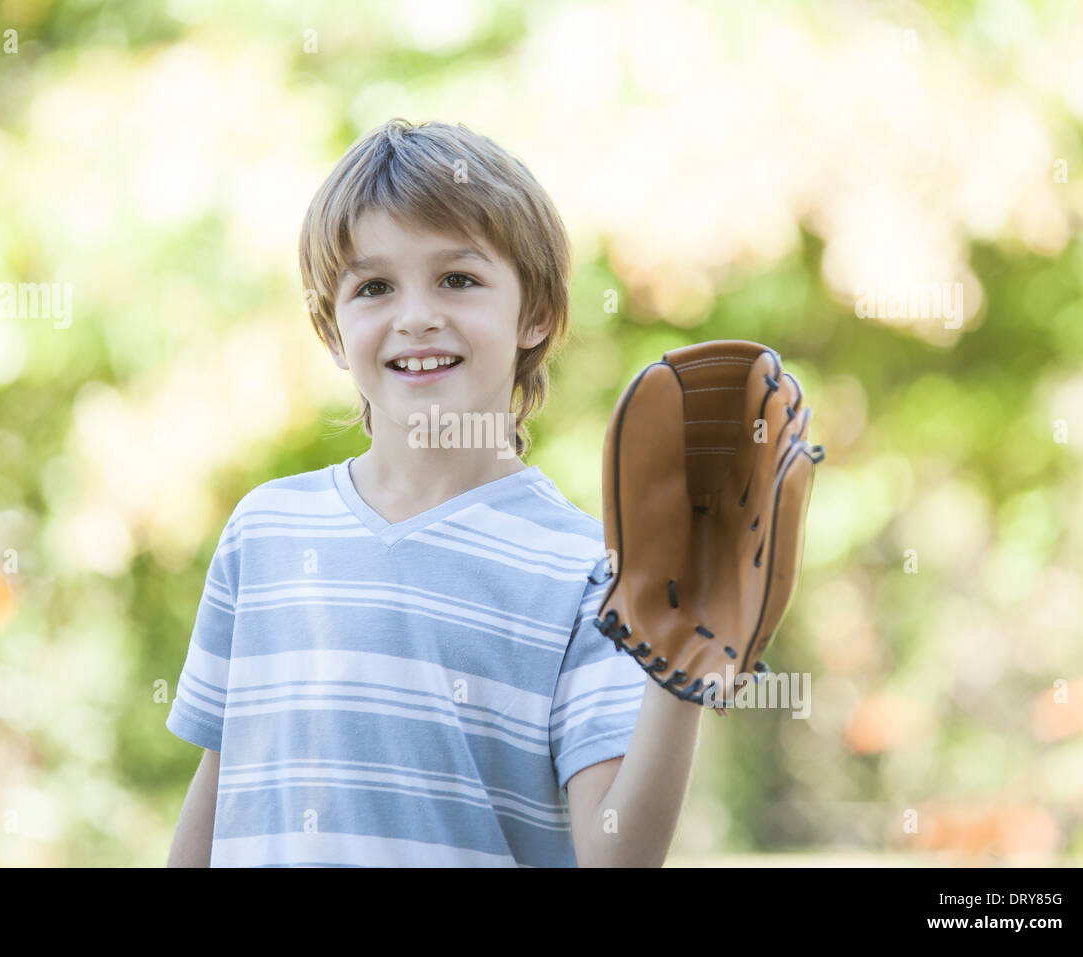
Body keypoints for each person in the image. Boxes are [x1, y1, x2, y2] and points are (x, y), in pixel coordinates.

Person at [165, 118, 701, 867]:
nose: (416, 316)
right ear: (331, 328)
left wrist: (680, 678)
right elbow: (220, 787)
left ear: (536, 313)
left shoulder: (586, 569)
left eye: (458, 278)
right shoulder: (265, 532)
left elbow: (613, 856)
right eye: (374, 286)